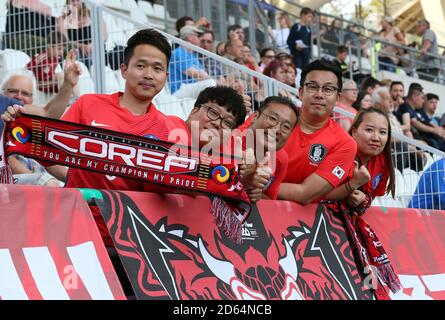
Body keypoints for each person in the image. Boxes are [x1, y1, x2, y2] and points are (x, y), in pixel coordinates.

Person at [278, 59, 357, 204]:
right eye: (313, 87)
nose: (319, 94)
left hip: (298, 222)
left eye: (328, 89)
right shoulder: (274, 117)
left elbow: (305, 194)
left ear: (337, 98)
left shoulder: (345, 144)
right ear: (301, 92)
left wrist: (262, 187)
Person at [1, 50, 81, 185]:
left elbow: (48, 113)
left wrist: (68, 84)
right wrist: (40, 183)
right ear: (3, 93)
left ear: (33, 99)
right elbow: (8, 159)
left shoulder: (31, 123)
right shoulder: (5, 107)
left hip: (41, 182)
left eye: (25, 93)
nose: (19, 96)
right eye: (13, 91)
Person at [326, 108, 395, 211]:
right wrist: (353, 184)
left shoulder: (383, 161)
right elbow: (321, 196)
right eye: (369, 130)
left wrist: (365, 199)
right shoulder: (340, 155)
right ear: (354, 132)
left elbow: (371, 197)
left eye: (382, 132)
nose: (376, 137)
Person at [236, 96, 298, 202]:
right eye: (273, 119)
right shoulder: (230, 141)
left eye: (286, 127)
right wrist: (243, 183)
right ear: (255, 116)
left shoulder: (280, 160)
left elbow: (269, 198)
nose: (277, 130)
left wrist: (257, 195)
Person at [168, 26, 215, 98]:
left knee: (212, 83)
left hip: (190, 87)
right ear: (189, 37)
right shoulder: (177, 53)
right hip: (179, 89)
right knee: (210, 83)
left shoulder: (193, 55)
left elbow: (203, 74)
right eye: (198, 35)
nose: (201, 38)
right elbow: (194, 74)